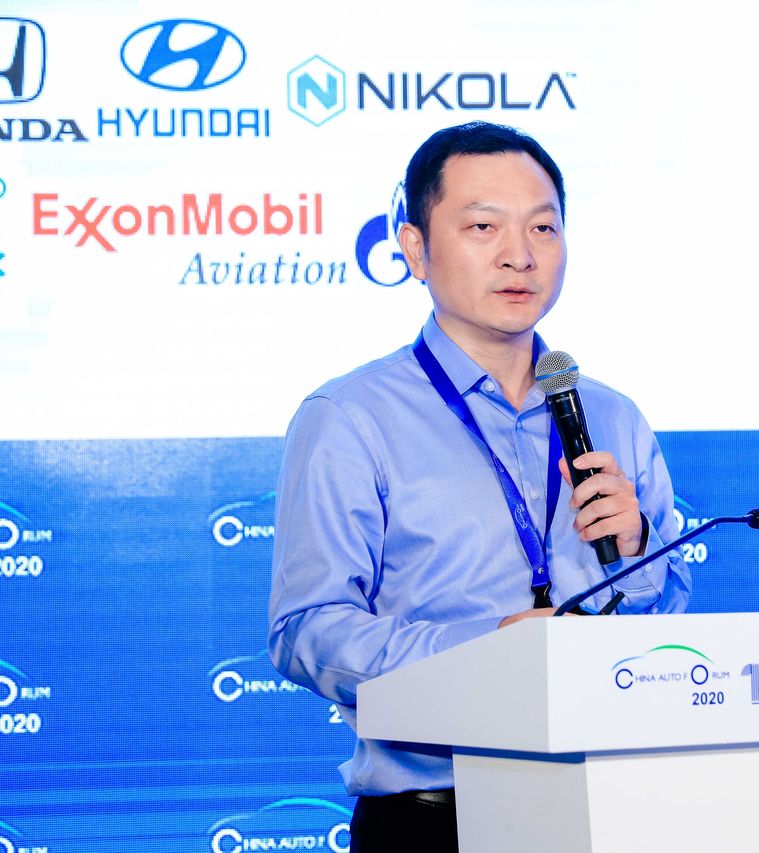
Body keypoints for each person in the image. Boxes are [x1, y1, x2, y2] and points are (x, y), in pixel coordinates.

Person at [267, 121, 692, 851]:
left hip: (611, 806)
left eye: (543, 227)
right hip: (437, 818)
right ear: (414, 249)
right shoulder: (351, 417)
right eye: (483, 226)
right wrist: (486, 650)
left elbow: (672, 623)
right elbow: (307, 631)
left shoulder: (612, 416)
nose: (519, 254)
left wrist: (637, 547)